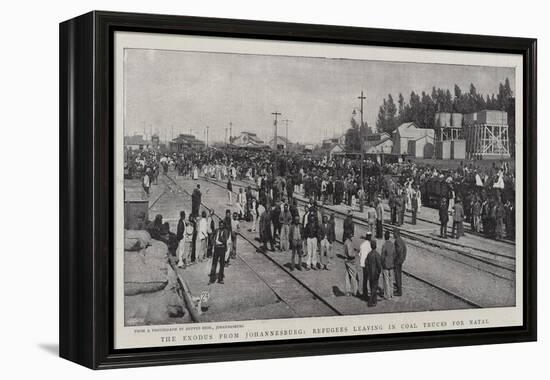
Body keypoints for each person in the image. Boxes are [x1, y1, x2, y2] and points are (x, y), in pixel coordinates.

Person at [209, 220, 230, 284]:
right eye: (220, 225)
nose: (220, 226)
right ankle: (212, 278)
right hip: (216, 248)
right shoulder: (216, 230)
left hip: (222, 248)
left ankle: (220, 278)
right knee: (214, 263)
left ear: (223, 225)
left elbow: (224, 240)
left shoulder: (225, 231)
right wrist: (213, 242)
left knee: (222, 264)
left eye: (222, 225)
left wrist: (220, 236)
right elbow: (211, 236)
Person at [365, 240, 382, 307]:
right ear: (376, 246)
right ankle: (370, 301)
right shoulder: (377, 254)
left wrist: (368, 271)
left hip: (370, 273)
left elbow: (366, 264)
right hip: (375, 274)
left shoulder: (369, 254)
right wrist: (378, 272)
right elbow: (379, 265)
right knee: (374, 287)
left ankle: (374, 301)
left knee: (372, 286)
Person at [380, 230, 395, 300]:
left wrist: (381, 264)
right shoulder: (392, 244)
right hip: (392, 265)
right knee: (391, 280)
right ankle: (392, 293)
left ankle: (387, 295)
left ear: (384, 237)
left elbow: (382, 256)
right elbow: (394, 254)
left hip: (385, 265)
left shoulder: (384, 245)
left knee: (386, 280)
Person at [393, 229, 407, 296]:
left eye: (394, 233)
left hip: (397, 261)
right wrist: (403, 258)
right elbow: (405, 249)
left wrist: (395, 258)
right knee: (399, 274)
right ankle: (399, 286)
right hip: (400, 260)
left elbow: (399, 251)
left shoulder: (397, 241)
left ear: (396, 234)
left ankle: (399, 291)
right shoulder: (401, 240)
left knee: (397, 275)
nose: (393, 235)